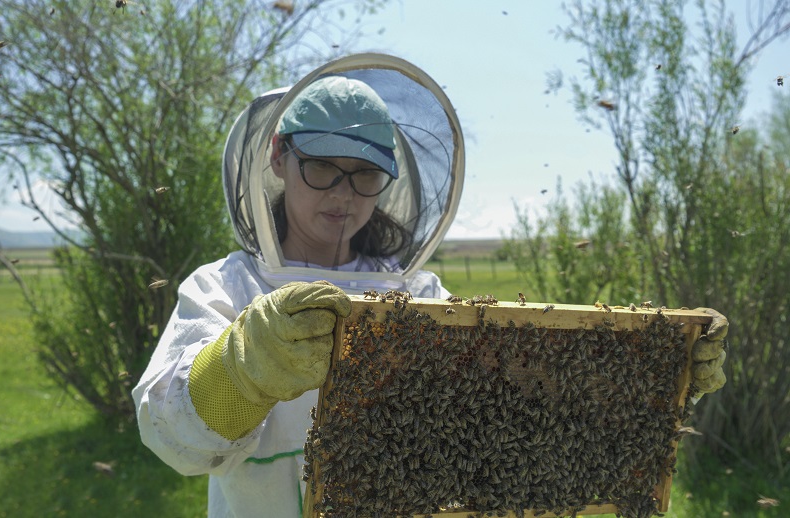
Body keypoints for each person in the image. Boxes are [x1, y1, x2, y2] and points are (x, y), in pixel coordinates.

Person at [132, 53, 729, 518]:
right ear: (279, 157)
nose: (343, 195)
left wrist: (653, 378)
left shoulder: (419, 299)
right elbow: (170, 439)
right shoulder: (225, 288)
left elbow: (524, 414)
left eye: (365, 176)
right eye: (322, 169)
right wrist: (241, 368)